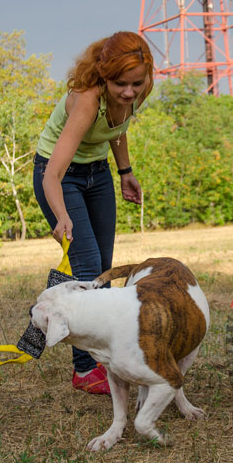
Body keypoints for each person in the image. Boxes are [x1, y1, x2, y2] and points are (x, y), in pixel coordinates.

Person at [33, 31, 154, 395]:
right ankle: (85, 370)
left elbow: (118, 128)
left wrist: (125, 172)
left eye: (136, 83)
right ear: (103, 76)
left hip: (98, 174)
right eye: (120, 84)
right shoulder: (87, 100)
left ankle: (109, 355)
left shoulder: (140, 89)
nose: (129, 92)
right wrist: (61, 215)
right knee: (86, 267)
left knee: (104, 270)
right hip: (59, 176)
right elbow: (51, 173)